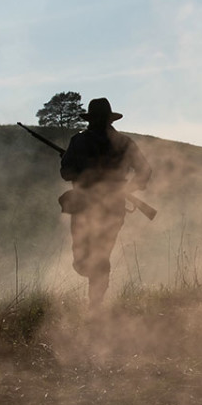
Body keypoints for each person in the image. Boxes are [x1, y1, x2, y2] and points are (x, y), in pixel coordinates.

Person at [59, 98, 152, 308]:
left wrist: (74, 166)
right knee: (100, 255)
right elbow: (145, 171)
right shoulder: (124, 142)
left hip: (84, 205)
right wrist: (125, 190)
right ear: (110, 119)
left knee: (84, 257)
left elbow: (65, 173)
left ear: (90, 119)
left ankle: (95, 305)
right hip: (113, 207)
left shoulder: (79, 141)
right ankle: (96, 302)